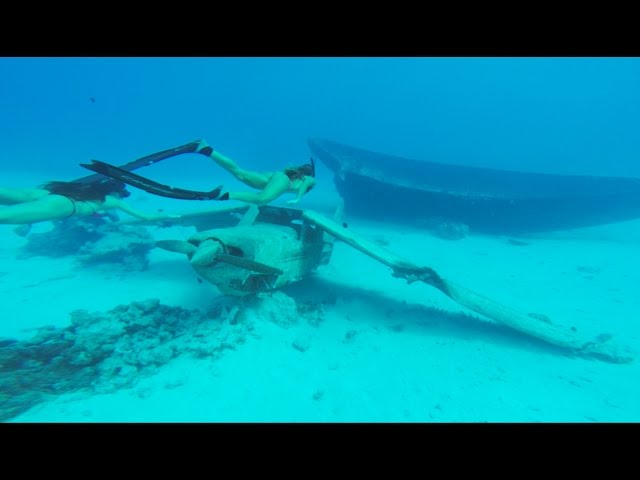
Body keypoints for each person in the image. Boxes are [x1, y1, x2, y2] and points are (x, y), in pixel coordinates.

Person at [0, 179, 174, 226]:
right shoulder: (112, 201)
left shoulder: (83, 187)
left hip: (48, 193)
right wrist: (169, 216)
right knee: (4, 217)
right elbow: (146, 217)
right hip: (64, 205)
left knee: (7, 193)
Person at [194, 139, 317, 205]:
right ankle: (223, 195)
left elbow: (279, 188)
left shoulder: (295, 176)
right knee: (261, 199)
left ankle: (205, 149)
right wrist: (298, 198)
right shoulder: (310, 179)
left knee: (239, 174)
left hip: (274, 178)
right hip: (283, 181)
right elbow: (306, 183)